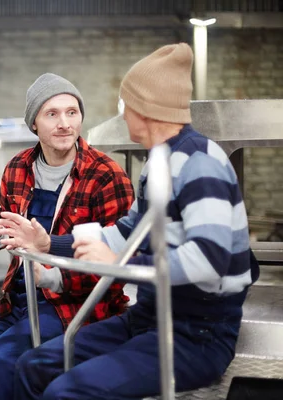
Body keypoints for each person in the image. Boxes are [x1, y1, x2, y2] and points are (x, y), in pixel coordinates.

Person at [14, 43, 260, 400]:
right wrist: (49, 243)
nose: (123, 114)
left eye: (124, 105)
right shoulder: (158, 163)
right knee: (32, 366)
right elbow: (128, 232)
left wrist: (117, 264)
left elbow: (210, 260)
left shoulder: (200, 163)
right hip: (148, 319)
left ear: (144, 110)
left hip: (197, 335)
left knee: (66, 392)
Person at [0, 73, 135, 400]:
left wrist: (54, 278)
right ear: (34, 124)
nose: (65, 123)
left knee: (1, 362)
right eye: (52, 114)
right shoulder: (18, 168)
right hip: (18, 299)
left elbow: (116, 263)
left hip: (77, 305)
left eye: (72, 112)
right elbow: (13, 235)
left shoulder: (106, 176)